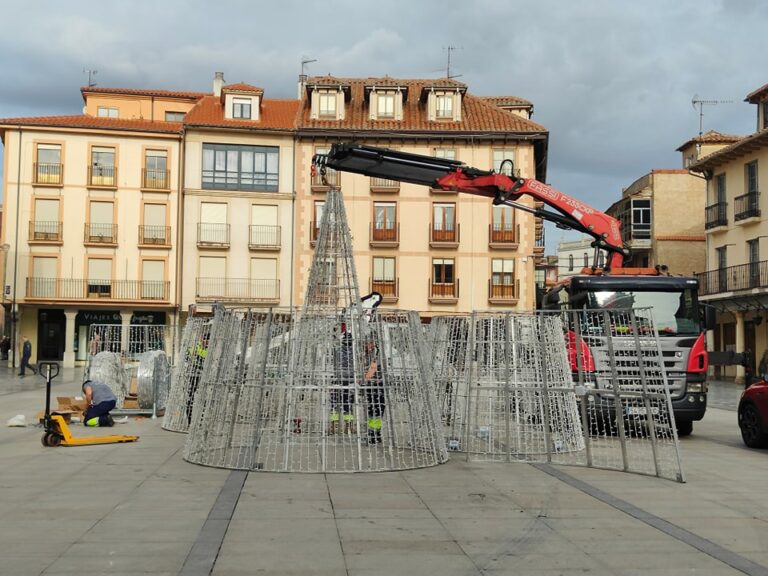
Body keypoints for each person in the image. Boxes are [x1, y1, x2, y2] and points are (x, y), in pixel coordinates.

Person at [329, 323, 355, 435]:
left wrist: (334, 333)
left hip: (337, 380)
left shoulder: (338, 350)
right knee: (348, 404)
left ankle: (333, 427)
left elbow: (333, 344)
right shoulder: (354, 352)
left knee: (334, 403)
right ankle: (348, 426)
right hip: (349, 381)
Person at [363, 336, 385, 445]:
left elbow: (373, 368)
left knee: (376, 409)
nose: (366, 346)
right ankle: (374, 433)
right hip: (371, 386)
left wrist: (365, 376)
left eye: (368, 343)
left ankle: (374, 433)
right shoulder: (369, 354)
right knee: (373, 410)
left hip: (377, 385)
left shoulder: (376, 354)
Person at [186, 331, 209, 426]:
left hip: (204, 377)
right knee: (190, 398)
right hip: (193, 376)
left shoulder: (210, 350)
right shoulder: (196, 347)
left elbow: (205, 356)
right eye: (204, 339)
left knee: (204, 399)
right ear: (201, 339)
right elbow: (188, 354)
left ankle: (201, 420)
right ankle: (189, 421)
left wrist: (197, 354)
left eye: (208, 340)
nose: (206, 342)